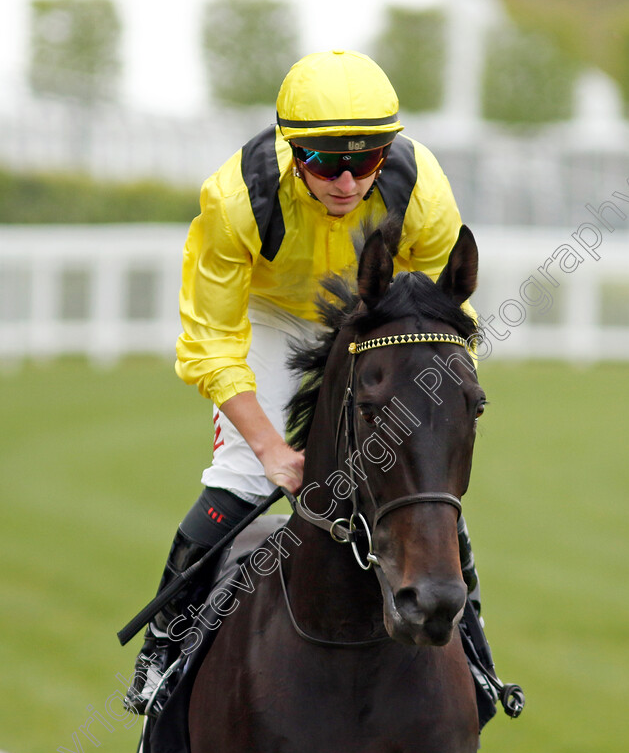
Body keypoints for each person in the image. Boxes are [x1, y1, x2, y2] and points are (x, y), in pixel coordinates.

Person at [124, 49, 485, 714]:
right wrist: (270, 448)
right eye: (326, 163)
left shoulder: (423, 186)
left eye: (367, 161)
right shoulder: (235, 200)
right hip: (266, 314)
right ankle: (163, 649)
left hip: (371, 311)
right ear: (293, 152)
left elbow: (443, 316)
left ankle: (478, 655)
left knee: (421, 475)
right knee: (241, 475)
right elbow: (210, 345)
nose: (348, 183)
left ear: (389, 151)